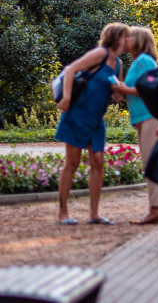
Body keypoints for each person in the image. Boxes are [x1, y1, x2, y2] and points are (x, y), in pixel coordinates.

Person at [56, 23, 130, 225]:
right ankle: (63, 213)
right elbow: (71, 70)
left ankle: (94, 214)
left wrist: (120, 91)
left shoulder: (119, 64)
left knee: (98, 161)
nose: (128, 41)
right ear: (116, 37)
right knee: (72, 162)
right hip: (77, 114)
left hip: (97, 119)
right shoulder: (101, 54)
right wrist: (67, 98)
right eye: (126, 36)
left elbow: (116, 97)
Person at [116, 26, 158, 227]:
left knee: (151, 164)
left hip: (150, 117)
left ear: (138, 40)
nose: (126, 39)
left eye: (129, 37)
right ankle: (155, 209)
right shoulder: (137, 62)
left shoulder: (144, 61)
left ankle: (156, 210)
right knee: (148, 163)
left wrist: (120, 86)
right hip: (143, 118)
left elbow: (150, 89)